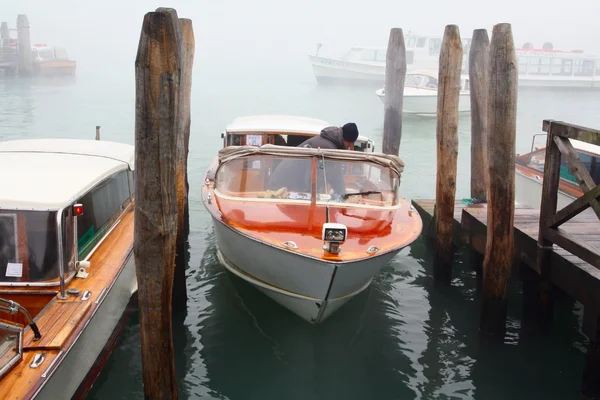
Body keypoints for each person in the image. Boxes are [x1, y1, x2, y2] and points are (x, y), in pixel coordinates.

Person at [268, 123, 359, 199]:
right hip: (284, 187)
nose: (349, 147)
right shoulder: (329, 148)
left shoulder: (327, 141)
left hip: (282, 182)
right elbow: (333, 175)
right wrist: (343, 195)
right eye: (350, 145)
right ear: (349, 142)